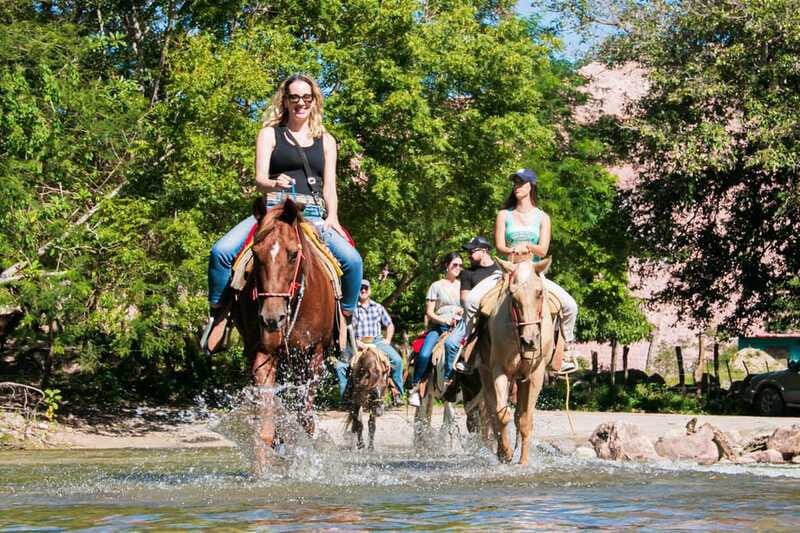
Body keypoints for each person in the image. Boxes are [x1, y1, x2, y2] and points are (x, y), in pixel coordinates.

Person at [201, 74, 363, 353]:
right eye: (294, 97)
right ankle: (220, 314)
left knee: (353, 261)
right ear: (285, 100)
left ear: (314, 101)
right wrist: (273, 183)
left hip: (312, 214)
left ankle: (344, 323)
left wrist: (333, 217)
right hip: (273, 211)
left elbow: (330, 186)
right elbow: (259, 179)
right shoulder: (269, 134)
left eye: (306, 97)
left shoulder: (326, 141)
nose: (300, 103)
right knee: (221, 252)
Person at [495, 168, 578, 373]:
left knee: (570, 306)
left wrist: (529, 247)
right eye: (515, 183)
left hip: (534, 272)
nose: (516, 187)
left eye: (521, 183)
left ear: (531, 186)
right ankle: (467, 350)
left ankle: (565, 351)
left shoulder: (542, 217)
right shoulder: (504, 214)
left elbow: (543, 249)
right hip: (509, 271)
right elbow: (499, 246)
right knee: (472, 302)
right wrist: (512, 249)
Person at [408, 252, 464, 407]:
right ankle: (415, 386)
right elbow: (430, 312)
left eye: (460, 265)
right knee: (425, 353)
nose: (458, 268)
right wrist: (443, 319)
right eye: (455, 264)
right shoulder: (436, 286)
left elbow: (468, 304)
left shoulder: (463, 285)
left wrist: (462, 312)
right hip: (439, 327)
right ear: (446, 265)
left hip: (459, 327)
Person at [334, 279, 404, 403]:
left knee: (397, 361)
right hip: (357, 342)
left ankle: (397, 393)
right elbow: (345, 327)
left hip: (376, 341)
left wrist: (387, 339)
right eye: (361, 288)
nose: (363, 290)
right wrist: (355, 342)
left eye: (366, 288)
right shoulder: (351, 308)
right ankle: (345, 396)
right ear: (357, 291)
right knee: (340, 366)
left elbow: (389, 325)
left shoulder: (378, 307)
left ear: (370, 290)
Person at [442, 236, 502, 377]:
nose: (469, 255)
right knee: (450, 343)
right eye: (468, 252)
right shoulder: (467, 273)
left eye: (472, 251)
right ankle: (453, 378)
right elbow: (465, 298)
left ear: (484, 251)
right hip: (473, 316)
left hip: (498, 314)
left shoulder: (500, 270)